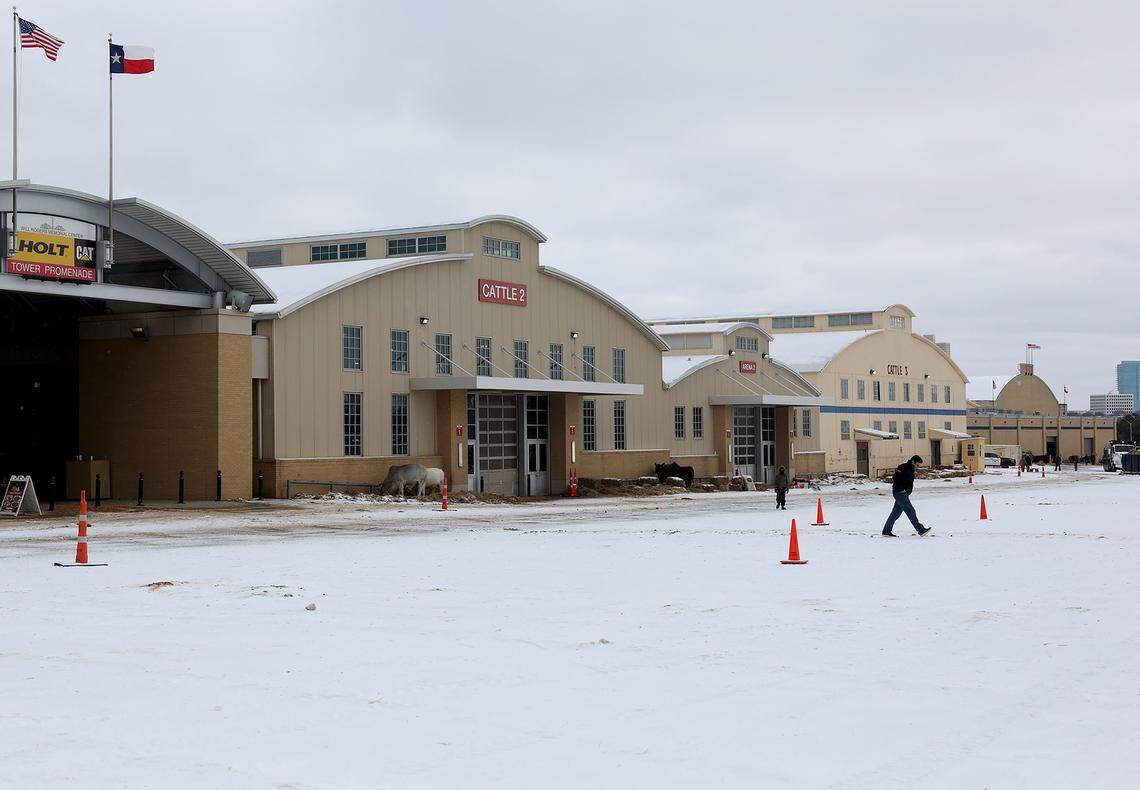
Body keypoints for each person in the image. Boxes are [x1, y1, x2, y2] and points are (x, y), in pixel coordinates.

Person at [883, 455, 931, 537]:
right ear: (913, 462)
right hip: (900, 493)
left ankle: (886, 531)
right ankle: (921, 530)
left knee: (895, 513)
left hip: (903, 494)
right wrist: (902, 489)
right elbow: (895, 478)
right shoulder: (903, 467)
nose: (918, 467)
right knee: (910, 511)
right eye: (917, 465)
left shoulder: (910, 468)